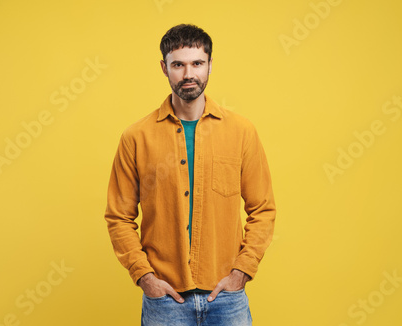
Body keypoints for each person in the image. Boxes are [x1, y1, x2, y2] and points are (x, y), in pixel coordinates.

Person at [104, 23, 277, 326]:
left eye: (197, 63)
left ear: (210, 65)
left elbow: (263, 208)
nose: (188, 74)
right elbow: (119, 216)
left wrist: (242, 272)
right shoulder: (136, 137)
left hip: (228, 298)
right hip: (165, 302)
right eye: (178, 64)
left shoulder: (241, 132)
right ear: (164, 68)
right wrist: (145, 278)